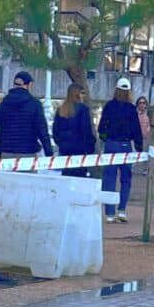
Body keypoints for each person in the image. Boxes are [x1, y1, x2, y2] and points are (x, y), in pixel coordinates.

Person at [98, 79, 141, 223]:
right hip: (125, 145)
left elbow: (102, 127)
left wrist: (105, 138)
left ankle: (109, 213)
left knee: (109, 178)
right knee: (126, 179)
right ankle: (122, 210)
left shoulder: (109, 106)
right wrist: (139, 147)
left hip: (111, 144)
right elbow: (136, 130)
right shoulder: (131, 109)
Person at [0, 69, 50, 158]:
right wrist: (49, 151)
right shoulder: (35, 104)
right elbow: (42, 129)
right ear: (28, 85)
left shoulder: (4, 103)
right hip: (28, 151)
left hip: (6, 151)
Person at [52, 82, 96, 177]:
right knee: (79, 177)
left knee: (66, 175)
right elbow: (86, 129)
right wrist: (90, 145)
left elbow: (55, 130)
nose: (84, 95)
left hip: (64, 149)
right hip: (79, 149)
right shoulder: (83, 109)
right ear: (77, 94)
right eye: (82, 93)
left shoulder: (61, 110)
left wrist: (60, 143)